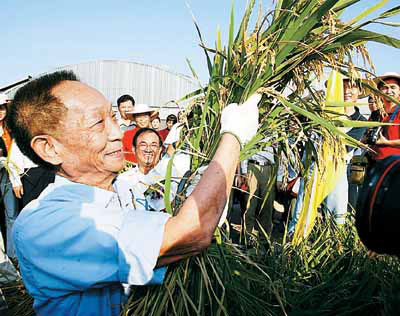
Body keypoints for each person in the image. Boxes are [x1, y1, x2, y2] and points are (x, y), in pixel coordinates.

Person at [8, 70, 261, 316]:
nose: (118, 133)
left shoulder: (122, 189)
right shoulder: (47, 223)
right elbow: (191, 232)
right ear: (49, 148)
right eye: (98, 123)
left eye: (113, 118)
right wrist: (233, 136)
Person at [324, 77, 367, 222]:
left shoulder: (361, 121)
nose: (347, 91)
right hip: (318, 166)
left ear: (360, 91)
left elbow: (344, 146)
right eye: (343, 87)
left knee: (337, 214)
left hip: (339, 168)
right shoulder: (325, 113)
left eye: (352, 87)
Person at [370, 72, 400, 160]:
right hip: (374, 165)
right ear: (379, 92)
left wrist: (387, 143)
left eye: (393, 87)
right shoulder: (376, 114)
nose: (389, 91)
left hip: (395, 165)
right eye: (385, 88)